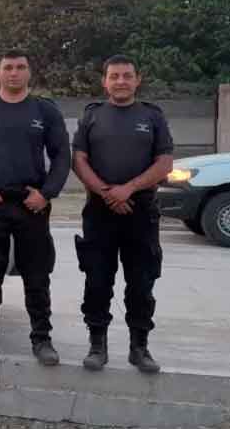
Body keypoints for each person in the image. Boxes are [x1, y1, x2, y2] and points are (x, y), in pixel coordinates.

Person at [0, 49, 71, 365]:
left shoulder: (44, 110)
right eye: (8, 67)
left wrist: (47, 193)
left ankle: (42, 339)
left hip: (31, 205)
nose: (14, 73)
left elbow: (62, 156)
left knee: (37, 275)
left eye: (20, 67)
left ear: (28, 72)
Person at [71, 54, 173, 374]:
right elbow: (79, 160)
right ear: (105, 81)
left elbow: (165, 163)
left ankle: (139, 347)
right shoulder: (92, 116)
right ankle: (96, 345)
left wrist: (127, 189)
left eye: (127, 75)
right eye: (114, 76)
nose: (120, 81)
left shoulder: (152, 116)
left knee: (141, 281)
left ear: (137, 79)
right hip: (99, 210)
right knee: (98, 279)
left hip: (141, 211)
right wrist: (106, 192)